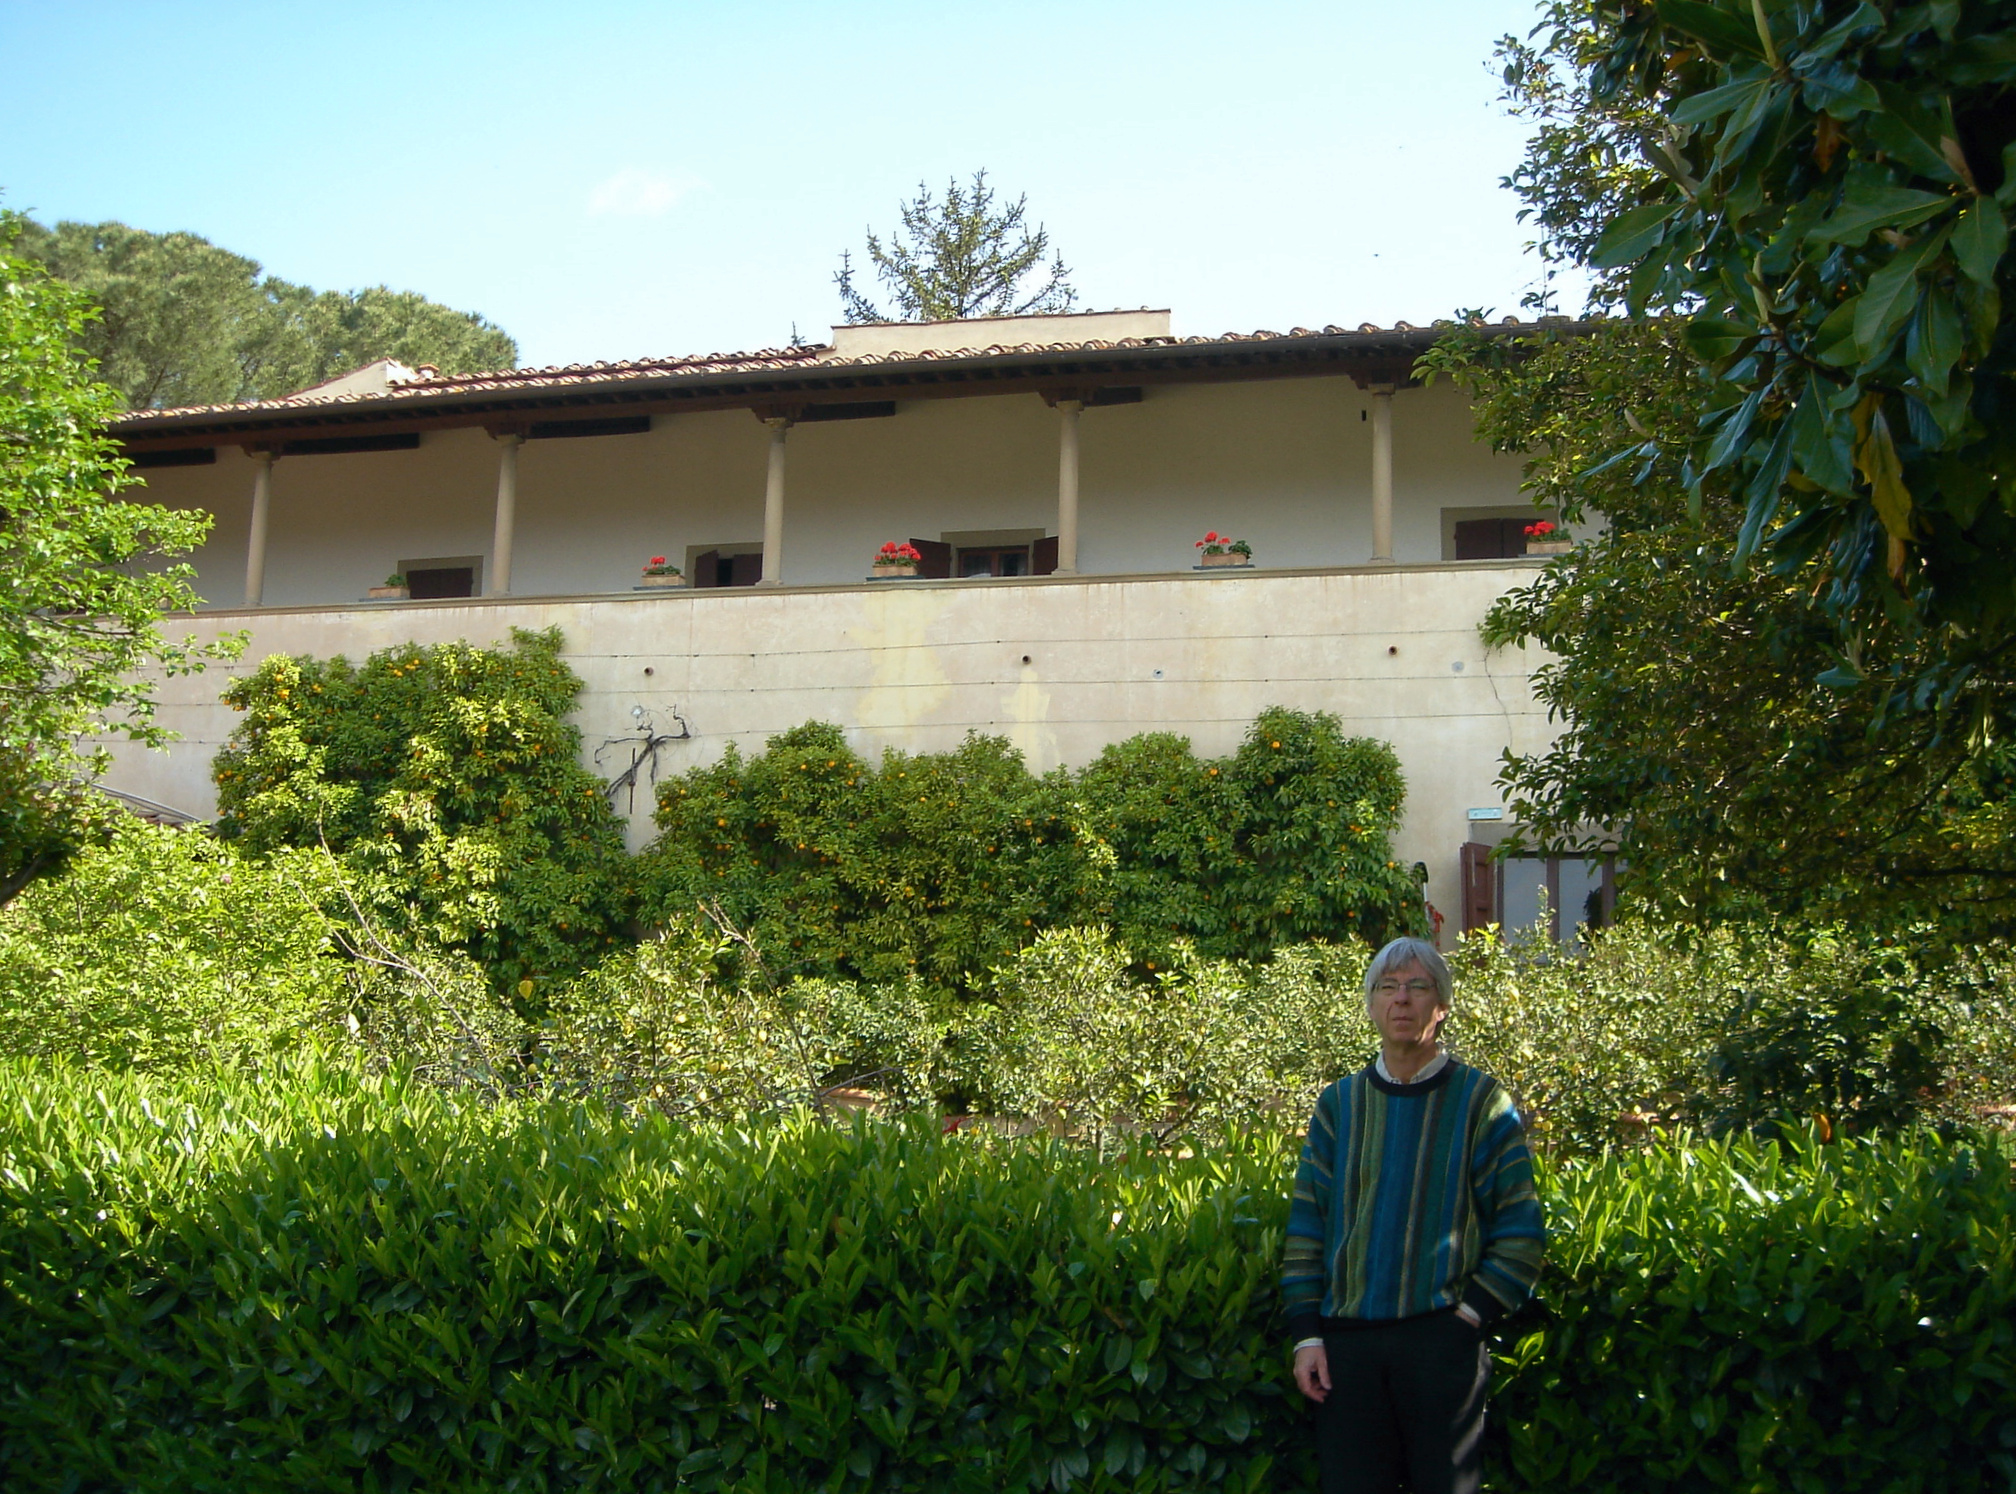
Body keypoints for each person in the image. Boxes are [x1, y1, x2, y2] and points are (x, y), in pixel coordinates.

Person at [1282, 936, 1544, 1494]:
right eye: (1388, 988)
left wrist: (1468, 1319)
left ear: (1441, 1005)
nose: (1402, 1000)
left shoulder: (1481, 1103)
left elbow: (1521, 1232)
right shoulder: (1339, 1105)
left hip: (1441, 1342)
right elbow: (1308, 1228)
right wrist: (1307, 1337)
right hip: (1345, 1353)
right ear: (1372, 1005)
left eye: (1417, 987)